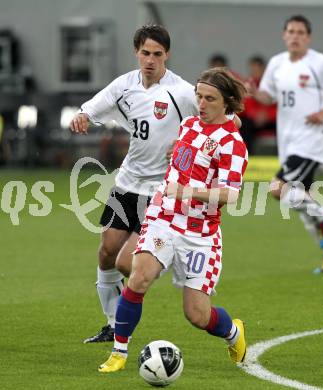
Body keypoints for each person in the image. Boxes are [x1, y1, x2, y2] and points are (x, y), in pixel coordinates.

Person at [98, 67, 248, 373]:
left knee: (197, 315)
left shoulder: (233, 144)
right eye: (199, 96)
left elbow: (231, 195)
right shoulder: (189, 125)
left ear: (226, 103)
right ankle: (119, 351)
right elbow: (184, 157)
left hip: (200, 234)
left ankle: (233, 332)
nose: (201, 104)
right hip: (163, 217)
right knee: (139, 277)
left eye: (210, 99)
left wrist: (187, 190)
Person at [70, 25, 200, 343]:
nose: (151, 60)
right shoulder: (125, 85)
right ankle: (112, 325)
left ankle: (164, 258)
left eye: (157, 54)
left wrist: (190, 144)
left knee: (127, 264)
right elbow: (94, 105)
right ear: (136, 53)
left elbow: (219, 121)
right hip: (127, 183)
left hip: (161, 191)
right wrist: (82, 116)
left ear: (167, 54)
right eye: (145, 53)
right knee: (106, 252)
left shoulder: (182, 92)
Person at [249, 15, 323, 273]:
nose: (295, 36)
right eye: (291, 32)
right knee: (304, 205)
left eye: (300, 32)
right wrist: (250, 90)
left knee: (277, 189)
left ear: (308, 37)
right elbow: (266, 97)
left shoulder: (321, 64)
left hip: (312, 139)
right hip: (289, 141)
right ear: (284, 35)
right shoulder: (277, 64)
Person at [240, 55, 276, 154]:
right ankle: (247, 157)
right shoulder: (247, 84)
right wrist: (254, 115)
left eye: (257, 69)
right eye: (253, 69)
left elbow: (278, 104)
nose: (255, 72)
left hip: (271, 120)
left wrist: (268, 116)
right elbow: (245, 105)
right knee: (244, 125)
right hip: (254, 121)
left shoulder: (272, 84)